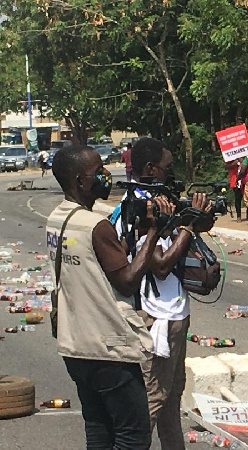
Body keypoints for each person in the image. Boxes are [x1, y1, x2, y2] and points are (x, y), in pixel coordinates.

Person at [46, 145, 171, 449]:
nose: (106, 175)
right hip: (108, 350)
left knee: (99, 429)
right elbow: (127, 281)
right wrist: (154, 231)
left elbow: (96, 266)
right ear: (79, 181)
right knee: (133, 435)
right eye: (98, 171)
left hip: (75, 345)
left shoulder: (58, 218)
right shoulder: (96, 226)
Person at [118, 137, 214, 450]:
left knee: (171, 400)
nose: (171, 173)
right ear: (150, 168)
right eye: (167, 168)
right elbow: (159, 265)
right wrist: (185, 227)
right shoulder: (146, 206)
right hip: (159, 315)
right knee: (153, 401)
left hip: (171, 313)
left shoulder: (153, 199)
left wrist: (196, 217)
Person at [225, 157, 244, 222]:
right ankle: (239, 216)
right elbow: (226, 166)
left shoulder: (245, 157)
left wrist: (242, 161)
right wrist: (234, 163)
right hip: (235, 181)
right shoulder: (230, 158)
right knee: (237, 199)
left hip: (245, 180)